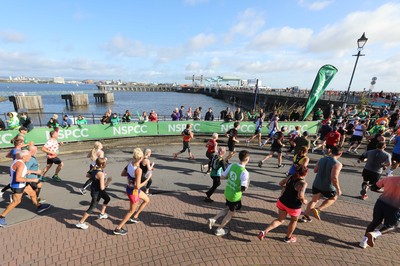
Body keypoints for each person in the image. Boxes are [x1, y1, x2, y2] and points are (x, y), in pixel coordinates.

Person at [257, 165, 308, 243]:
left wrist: (287, 188)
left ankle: (264, 231)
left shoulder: (290, 177)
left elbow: (281, 183)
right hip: (293, 206)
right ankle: (288, 237)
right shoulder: (303, 183)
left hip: (282, 201)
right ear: (305, 174)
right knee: (294, 221)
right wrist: (304, 201)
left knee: (280, 220)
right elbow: (300, 196)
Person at [0, 150, 51, 227]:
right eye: (29, 156)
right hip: (18, 185)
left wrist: (34, 172)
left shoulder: (18, 161)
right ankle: (1, 217)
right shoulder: (21, 165)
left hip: (23, 183)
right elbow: (18, 178)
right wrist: (33, 179)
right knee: (16, 202)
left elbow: (22, 171)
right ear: (24, 157)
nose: (30, 158)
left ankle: (39, 206)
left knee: (33, 193)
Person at [207, 150, 250, 236]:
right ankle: (219, 229)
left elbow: (222, 176)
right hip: (235, 196)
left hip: (227, 192)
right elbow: (243, 188)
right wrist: (247, 185)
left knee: (228, 208)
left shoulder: (232, 165)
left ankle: (214, 219)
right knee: (231, 213)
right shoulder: (244, 172)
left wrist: (231, 179)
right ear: (247, 159)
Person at [300, 146, 343, 223]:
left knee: (314, 200)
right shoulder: (337, 164)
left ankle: (305, 216)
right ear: (340, 153)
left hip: (317, 183)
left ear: (331, 151)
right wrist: (338, 189)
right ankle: (318, 209)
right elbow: (334, 178)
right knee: (333, 198)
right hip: (328, 186)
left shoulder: (322, 159)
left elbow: (315, 170)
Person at [114, 148, 151, 235]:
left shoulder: (130, 164)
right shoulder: (138, 170)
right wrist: (147, 179)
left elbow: (122, 174)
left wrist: (131, 177)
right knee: (131, 211)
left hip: (130, 188)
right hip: (133, 191)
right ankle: (118, 228)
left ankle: (135, 216)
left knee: (147, 200)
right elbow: (137, 186)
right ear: (141, 158)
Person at [359, 175, 400, 248]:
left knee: (375, 222)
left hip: (381, 203)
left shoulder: (389, 178)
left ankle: (364, 241)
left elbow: (374, 187)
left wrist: (384, 191)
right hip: (395, 207)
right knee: (392, 226)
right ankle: (375, 234)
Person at [76, 158, 112, 230]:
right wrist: (108, 181)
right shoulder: (100, 173)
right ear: (102, 164)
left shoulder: (93, 169)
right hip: (97, 192)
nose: (106, 164)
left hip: (95, 190)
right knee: (92, 207)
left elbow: (87, 175)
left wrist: (96, 176)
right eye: (105, 163)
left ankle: (102, 213)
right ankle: (80, 222)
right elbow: (102, 187)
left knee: (107, 198)